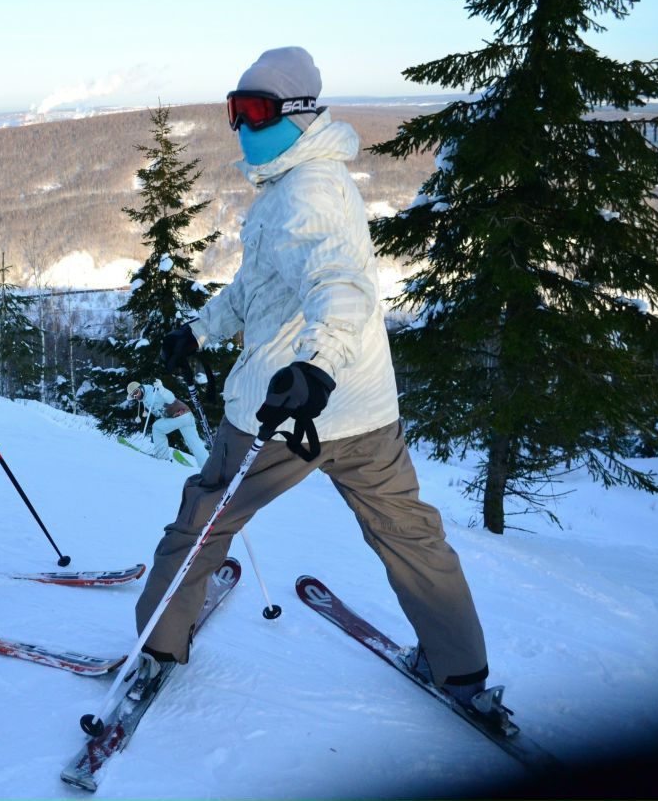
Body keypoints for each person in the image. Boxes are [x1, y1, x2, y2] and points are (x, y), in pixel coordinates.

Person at [132, 47, 495, 715]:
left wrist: (313, 368)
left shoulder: (308, 193)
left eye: (257, 110)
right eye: (234, 110)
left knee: (204, 520)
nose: (242, 125)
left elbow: (342, 289)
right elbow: (258, 288)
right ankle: (462, 671)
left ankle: (156, 647)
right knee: (410, 534)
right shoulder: (299, 185)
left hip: (287, 410)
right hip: (365, 413)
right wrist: (202, 329)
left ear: (299, 114)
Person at [126, 380, 210, 467]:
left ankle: (162, 457)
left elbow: (170, 398)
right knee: (194, 443)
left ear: (141, 388)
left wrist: (161, 389)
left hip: (180, 416)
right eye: (133, 396)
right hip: (186, 415)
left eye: (136, 392)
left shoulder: (154, 390)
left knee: (157, 428)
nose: (136, 396)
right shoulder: (145, 397)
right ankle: (207, 466)